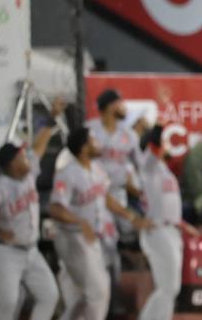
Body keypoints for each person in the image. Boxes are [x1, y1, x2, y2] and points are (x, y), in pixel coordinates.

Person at [49, 128, 153, 320]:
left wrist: (132, 217)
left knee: (87, 294)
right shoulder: (67, 173)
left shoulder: (96, 168)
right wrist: (80, 222)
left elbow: (105, 198)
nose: (98, 144)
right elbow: (55, 209)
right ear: (82, 148)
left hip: (90, 237)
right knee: (98, 293)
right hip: (72, 237)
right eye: (93, 141)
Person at [0, 100, 64, 320]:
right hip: (4, 253)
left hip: (31, 251)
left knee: (49, 295)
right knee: (8, 304)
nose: (26, 157)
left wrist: (51, 119)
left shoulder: (28, 173)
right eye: (20, 156)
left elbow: (39, 146)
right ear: (11, 163)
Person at [86, 88, 141, 316]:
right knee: (103, 247)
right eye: (119, 103)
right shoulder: (90, 129)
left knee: (118, 244)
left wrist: (138, 188)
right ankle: (106, 301)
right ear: (109, 106)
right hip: (94, 197)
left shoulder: (129, 135)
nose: (123, 107)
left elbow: (139, 166)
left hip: (118, 194)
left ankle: (115, 298)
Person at [136, 124, 199, 320]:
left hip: (170, 230)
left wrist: (183, 225)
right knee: (168, 287)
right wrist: (159, 126)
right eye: (163, 142)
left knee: (170, 288)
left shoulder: (164, 170)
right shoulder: (149, 166)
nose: (165, 145)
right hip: (157, 229)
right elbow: (153, 144)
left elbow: (167, 205)